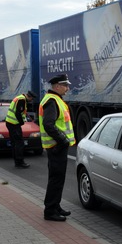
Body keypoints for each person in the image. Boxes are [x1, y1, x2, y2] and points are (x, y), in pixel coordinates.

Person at [39, 74, 76, 222]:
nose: (68, 88)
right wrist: (63, 141)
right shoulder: (52, 101)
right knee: (56, 179)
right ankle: (50, 211)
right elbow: (49, 124)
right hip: (57, 147)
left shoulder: (55, 99)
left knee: (58, 178)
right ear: (57, 86)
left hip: (57, 146)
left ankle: (55, 206)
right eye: (65, 85)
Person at [5, 91, 37, 169]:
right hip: (14, 124)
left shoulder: (20, 98)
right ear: (29, 97)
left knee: (14, 143)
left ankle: (17, 161)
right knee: (19, 143)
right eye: (31, 99)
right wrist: (22, 122)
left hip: (10, 123)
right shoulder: (22, 100)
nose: (31, 100)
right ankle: (19, 162)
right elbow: (18, 113)